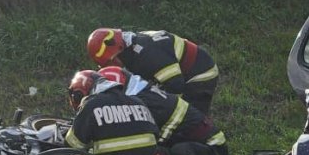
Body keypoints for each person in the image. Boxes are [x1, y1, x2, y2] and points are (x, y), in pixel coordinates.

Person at [97, 66, 228, 155]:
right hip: (193, 139)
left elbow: (150, 137)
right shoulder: (143, 93)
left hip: (212, 147)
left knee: (167, 153)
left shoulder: (146, 102)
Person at [65, 70, 174, 155]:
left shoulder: (91, 105)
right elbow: (155, 136)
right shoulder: (138, 101)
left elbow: (71, 147)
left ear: (79, 94)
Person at [86, 28, 219, 113]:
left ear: (119, 49)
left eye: (112, 61)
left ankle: (206, 149)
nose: (114, 66)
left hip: (200, 73)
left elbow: (175, 85)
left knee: (191, 117)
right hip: (183, 72)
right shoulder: (135, 46)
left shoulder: (147, 55)